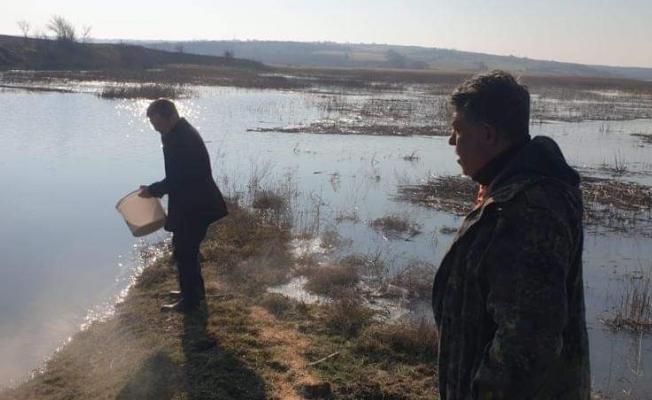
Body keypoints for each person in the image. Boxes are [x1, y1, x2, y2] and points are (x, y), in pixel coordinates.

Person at [432, 71, 590, 399]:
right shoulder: (506, 192)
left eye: (458, 130)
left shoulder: (529, 211)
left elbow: (528, 342)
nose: (451, 141)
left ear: (488, 134)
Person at [139, 99, 228, 312]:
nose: (155, 128)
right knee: (184, 248)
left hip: (198, 204)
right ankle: (193, 292)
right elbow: (177, 177)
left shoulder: (183, 138)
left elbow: (178, 178)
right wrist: (155, 189)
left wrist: (153, 190)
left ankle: (190, 302)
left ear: (171, 116)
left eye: (157, 123)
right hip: (190, 202)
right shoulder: (174, 133)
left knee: (185, 250)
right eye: (152, 124)